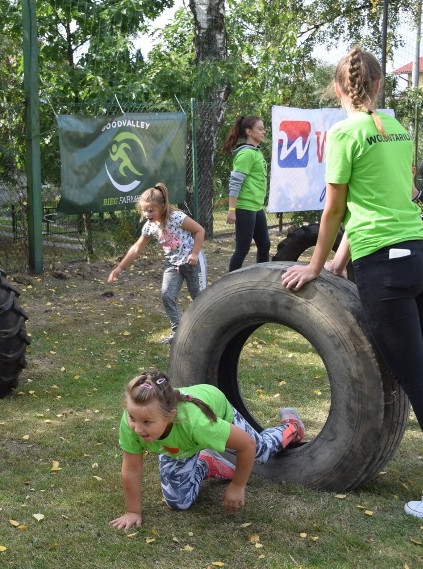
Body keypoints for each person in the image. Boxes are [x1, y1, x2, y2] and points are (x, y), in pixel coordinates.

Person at [281, 48, 423, 522]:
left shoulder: (342, 133)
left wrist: (314, 265)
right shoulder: (394, 129)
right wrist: (336, 262)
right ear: (377, 86)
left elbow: (335, 210)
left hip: (388, 267)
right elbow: (387, 203)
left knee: (419, 380)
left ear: (339, 88)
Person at [110, 369, 304, 530]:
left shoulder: (198, 423)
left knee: (261, 453)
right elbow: (132, 469)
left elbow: (247, 445)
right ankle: (207, 463)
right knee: (179, 502)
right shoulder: (133, 423)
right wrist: (133, 511)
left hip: (213, 409)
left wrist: (238, 485)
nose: (137, 428)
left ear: (170, 415)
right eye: (132, 418)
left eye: (147, 422)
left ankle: (292, 427)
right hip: (181, 445)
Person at [107, 183, 205, 344]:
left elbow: (200, 230)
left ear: (163, 206)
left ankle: (208, 330)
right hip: (173, 265)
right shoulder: (150, 227)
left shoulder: (177, 218)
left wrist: (194, 253)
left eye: (151, 210)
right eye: (144, 210)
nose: (147, 213)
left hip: (192, 262)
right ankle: (178, 333)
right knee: (167, 295)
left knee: (199, 298)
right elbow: (136, 248)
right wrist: (119, 267)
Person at [327, 185, 423, 280]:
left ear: (412, 171)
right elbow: (356, 226)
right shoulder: (379, 204)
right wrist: (336, 266)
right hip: (389, 274)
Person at [221, 115, 271, 272]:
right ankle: (229, 283)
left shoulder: (256, 152)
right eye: (260, 129)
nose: (263, 132)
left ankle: (262, 278)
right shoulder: (246, 154)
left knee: (265, 245)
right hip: (245, 207)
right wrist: (232, 210)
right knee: (242, 249)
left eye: (264, 129)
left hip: (256, 207)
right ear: (249, 132)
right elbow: (235, 183)